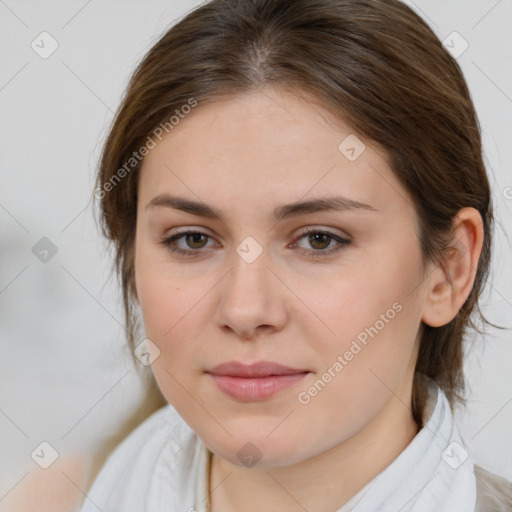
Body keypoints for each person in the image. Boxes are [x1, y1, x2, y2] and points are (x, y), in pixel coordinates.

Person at [81, 0, 512, 510]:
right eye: (192, 239)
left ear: (447, 270)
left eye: (319, 239)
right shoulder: (108, 479)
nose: (244, 310)